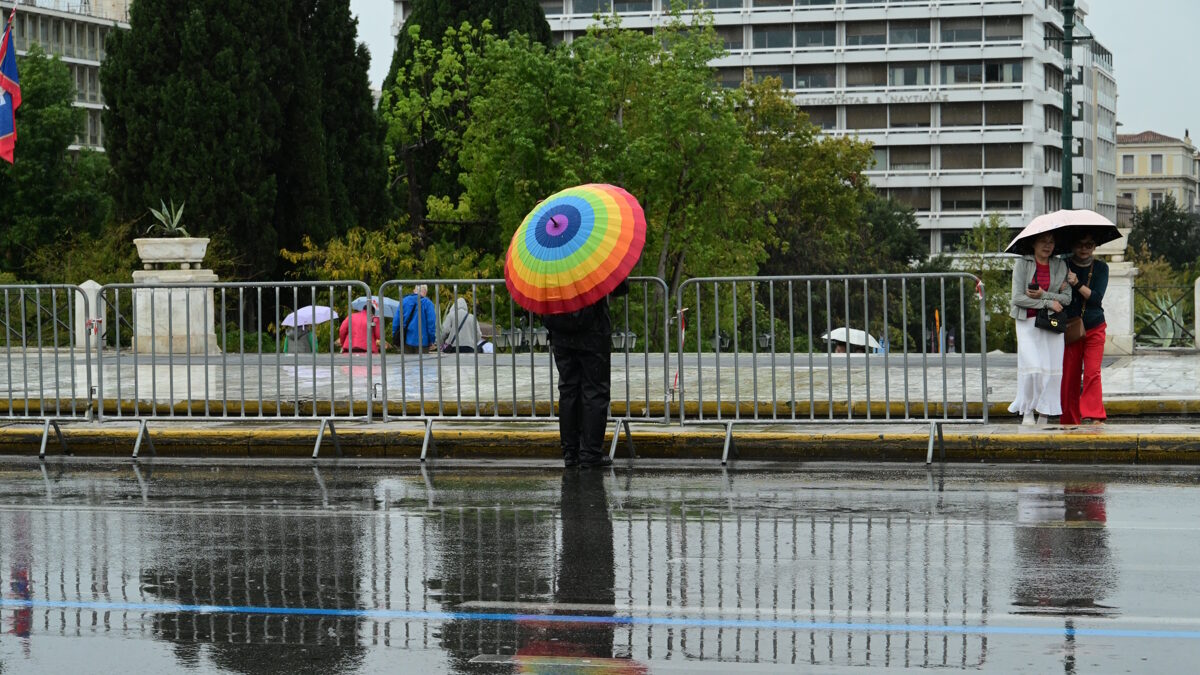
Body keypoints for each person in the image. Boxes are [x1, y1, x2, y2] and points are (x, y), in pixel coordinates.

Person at [544, 280, 629, 469]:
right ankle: (590, 453)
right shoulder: (591, 257)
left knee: (568, 391)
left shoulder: (550, 261)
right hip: (592, 333)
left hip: (560, 332)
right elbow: (618, 287)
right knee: (595, 392)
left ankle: (570, 453)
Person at [1008, 232, 1072, 426]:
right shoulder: (1023, 264)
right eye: (1043, 241)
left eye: (1051, 242)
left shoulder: (1060, 265)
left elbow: (1067, 298)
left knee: (1052, 370)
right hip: (1026, 322)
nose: (1047, 245)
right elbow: (1018, 298)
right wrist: (1049, 302)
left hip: (1051, 324)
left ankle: (1045, 413)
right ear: (1033, 243)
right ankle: (1027, 410)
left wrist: (1045, 295)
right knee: (1033, 368)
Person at [1060, 234, 1109, 425]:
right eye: (1079, 244)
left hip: (1094, 325)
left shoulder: (1101, 267)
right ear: (1072, 245)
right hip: (1071, 327)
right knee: (1070, 375)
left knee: (1092, 372)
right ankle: (1070, 417)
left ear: (1095, 246)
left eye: (1089, 244)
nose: (1084, 249)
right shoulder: (1062, 265)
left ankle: (1095, 415)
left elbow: (1096, 298)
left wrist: (1076, 284)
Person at [393, 284, 438, 354]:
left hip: (406, 340)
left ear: (414, 291)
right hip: (423, 341)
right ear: (425, 292)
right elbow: (431, 324)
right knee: (422, 364)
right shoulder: (428, 303)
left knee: (407, 364)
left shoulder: (404, 301)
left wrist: (396, 336)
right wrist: (431, 340)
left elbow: (396, 321)